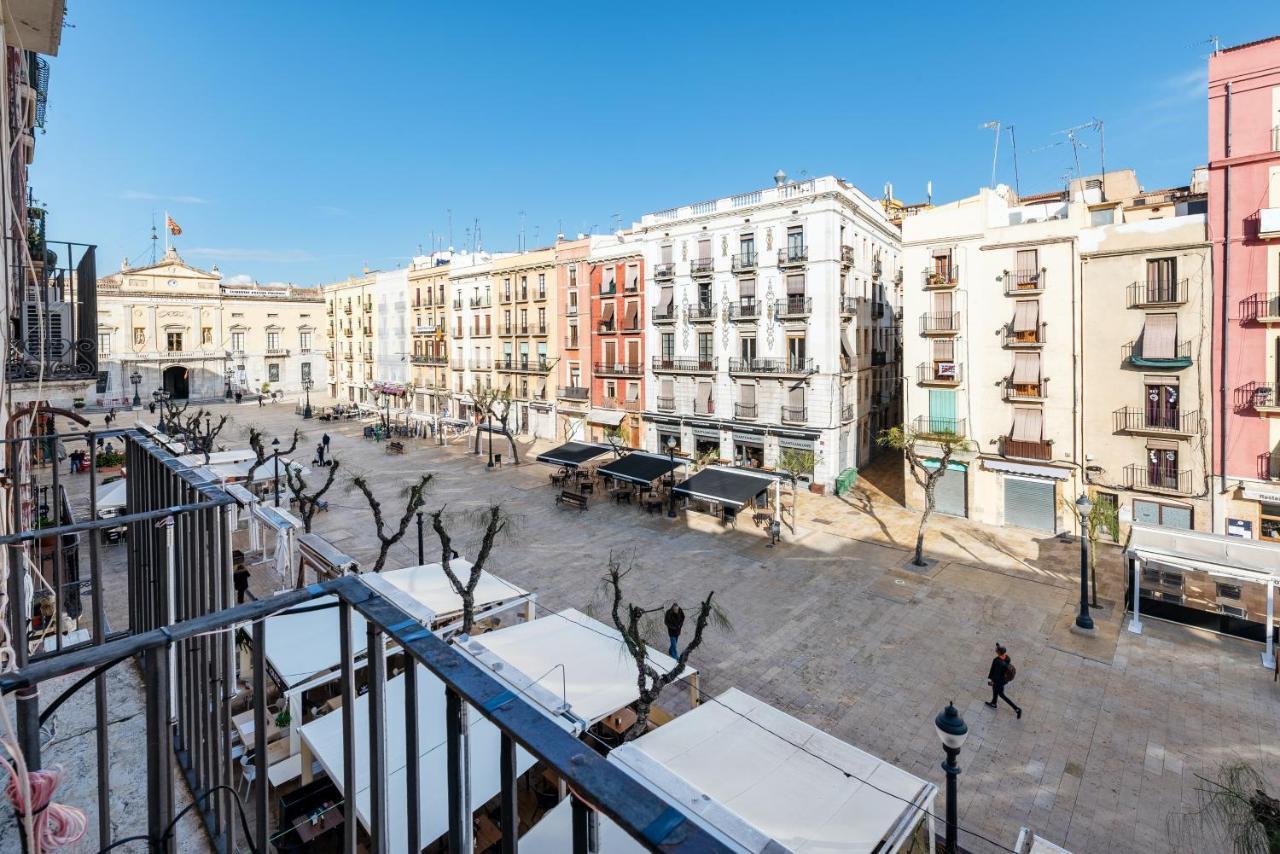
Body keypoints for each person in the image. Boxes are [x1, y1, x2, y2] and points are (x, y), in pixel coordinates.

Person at [986, 643, 1022, 718]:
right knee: (995, 689)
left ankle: (1017, 709)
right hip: (1004, 680)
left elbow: (996, 674)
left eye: (997, 649)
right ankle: (994, 703)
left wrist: (992, 681)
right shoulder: (1007, 658)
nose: (996, 650)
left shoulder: (997, 661)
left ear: (999, 652)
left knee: (1001, 694)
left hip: (999, 681)